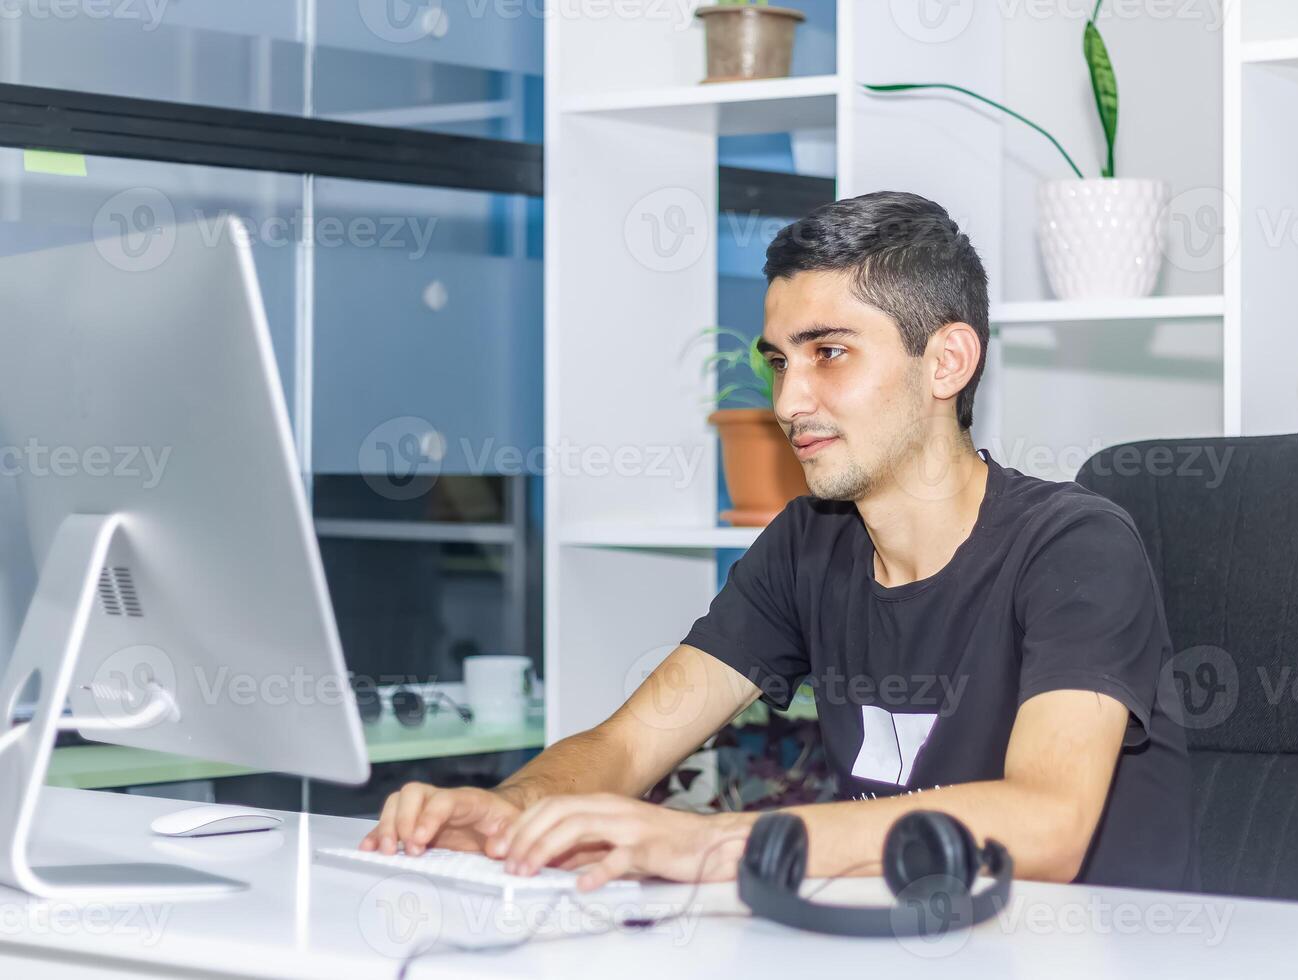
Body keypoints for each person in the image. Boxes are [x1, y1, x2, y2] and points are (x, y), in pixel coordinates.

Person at [360, 191, 1199, 894]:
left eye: (829, 353)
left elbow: (1047, 825)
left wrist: (716, 844)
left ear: (947, 362)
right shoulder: (811, 542)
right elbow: (626, 745)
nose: (790, 400)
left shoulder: (1076, 546)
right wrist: (512, 810)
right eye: (778, 362)